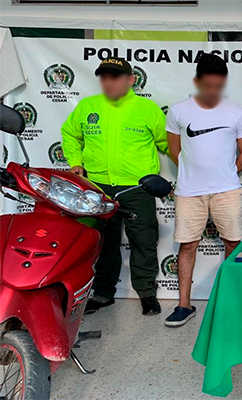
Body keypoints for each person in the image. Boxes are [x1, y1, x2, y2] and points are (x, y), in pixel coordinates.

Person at [61, 57, 169, 316]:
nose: (109, 82)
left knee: (143, 240)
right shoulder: (88, 106)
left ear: (131, 80)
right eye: (105, 77)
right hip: (97, 187)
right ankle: (103, 293)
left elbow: (168, 143)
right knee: (102, 242)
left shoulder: (148, 109)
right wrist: (75, 162)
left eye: (116, 77)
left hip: (137, 188)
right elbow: (70, 134)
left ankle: (147, 294)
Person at [164, 53, 242, 327]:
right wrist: (193, 174)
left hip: (227, 191)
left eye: (218, 85)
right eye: (208, 85)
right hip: (189, 192)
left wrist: (226, 175)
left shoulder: (236, 112)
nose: (213, 90)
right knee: (188, 245)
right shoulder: (178, 111)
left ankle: (231, 302)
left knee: (233, 243)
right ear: (197, 81)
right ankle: (184, 305)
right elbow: (174, 150)